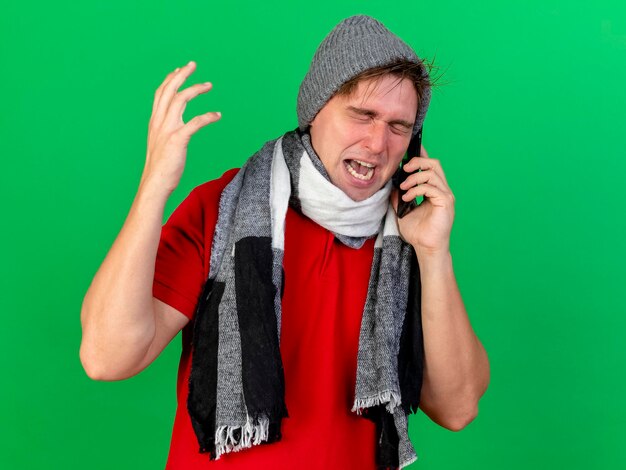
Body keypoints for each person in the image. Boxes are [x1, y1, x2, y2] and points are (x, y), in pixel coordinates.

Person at [80, 15, 490, 470]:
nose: (378, 142)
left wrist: (434, 253)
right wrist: (154, 186)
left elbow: (457, 408)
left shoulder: (407, 235)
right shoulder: (223, 209)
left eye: (399, 126)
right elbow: (106, 357)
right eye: (363, 115)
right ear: (315, 111)